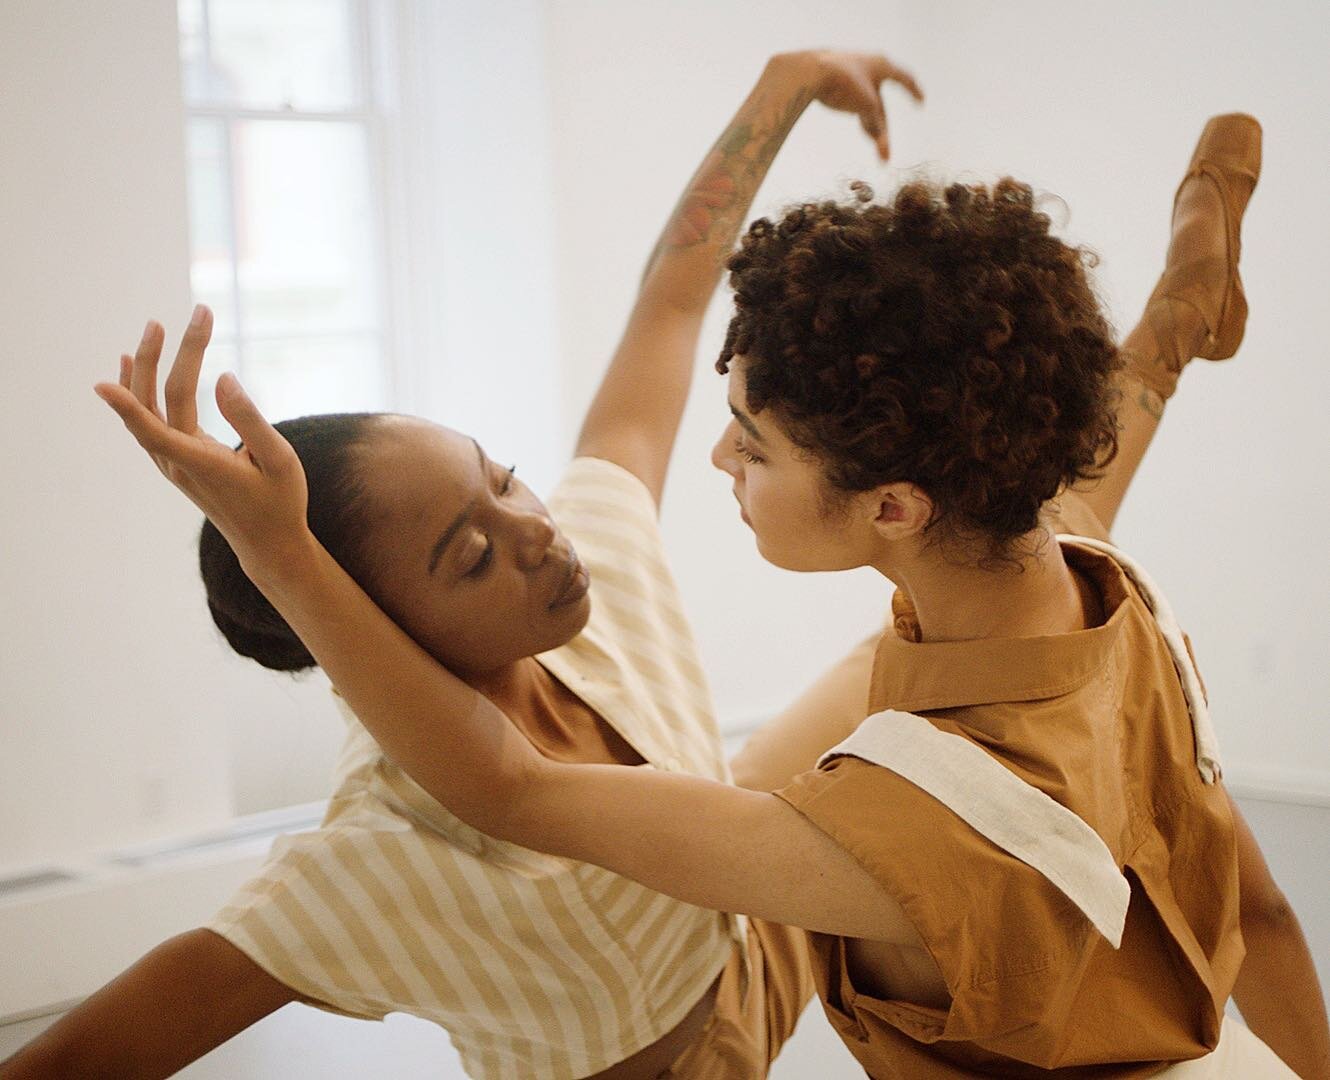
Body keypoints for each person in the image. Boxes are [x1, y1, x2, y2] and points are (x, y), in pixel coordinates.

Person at [81, 97, 1329, 1080]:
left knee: (908, 754)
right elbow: (1260, 913)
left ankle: (1166, 329)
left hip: (863, 904)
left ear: (889, 507)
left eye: (757, 443)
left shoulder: (892, 823)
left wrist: (284, 556)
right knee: (1042, 520)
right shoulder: (1108, 594)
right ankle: (1163, 328)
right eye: (470, 544)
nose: (717, 456)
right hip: (857, 847)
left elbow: (506, 786)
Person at [0, 50, 921, 1080]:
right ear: (375, 629)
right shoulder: (380, 855)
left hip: (745, 943)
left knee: (918, 642)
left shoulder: (588, 565)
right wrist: (284, 554)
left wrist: (782, 87)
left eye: (505, 476)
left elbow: (668, 307)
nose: (538, 531)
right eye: (474, 555)